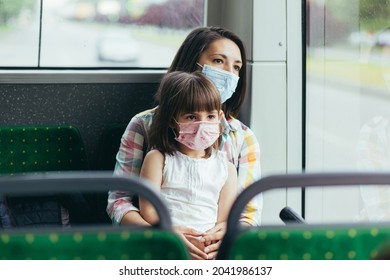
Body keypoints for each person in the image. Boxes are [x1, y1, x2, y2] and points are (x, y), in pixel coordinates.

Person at [107, 26, 263, 260]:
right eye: (219, 61)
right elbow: (119, 202)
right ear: (193, 63)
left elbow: (248, 214)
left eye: (237, 67)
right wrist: (160, 234)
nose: (229, 73)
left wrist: (226, 234)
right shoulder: (143, 125)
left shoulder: (243, 138)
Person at [139, 72, 237, 256]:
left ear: (220, 117)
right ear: (172, 121)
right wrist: (172, 233)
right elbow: (149, 211)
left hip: (207, 252)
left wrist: (208, 245)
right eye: (191, 117)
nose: (202, 124)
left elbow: (223, 221)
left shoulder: (227, 169)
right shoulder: (158, 159)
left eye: (210, 117)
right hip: (166, 245)